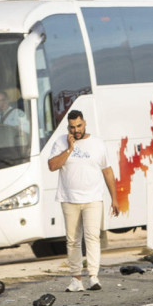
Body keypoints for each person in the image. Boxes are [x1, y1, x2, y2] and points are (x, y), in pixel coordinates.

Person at [47, 110, 118, 292]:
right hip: (69, 198)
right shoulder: (61, 142)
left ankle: (93, 277)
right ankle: (76, 279)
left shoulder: (97, 144)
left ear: (84, 123)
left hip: (93, 198)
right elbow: (52, 166)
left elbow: (107, 171)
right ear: (68, 127)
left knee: (93, 237)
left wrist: (114, 198)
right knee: (72, 240)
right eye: (72, 127)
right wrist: (69, 149)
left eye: (79, 126)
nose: (76, 130)